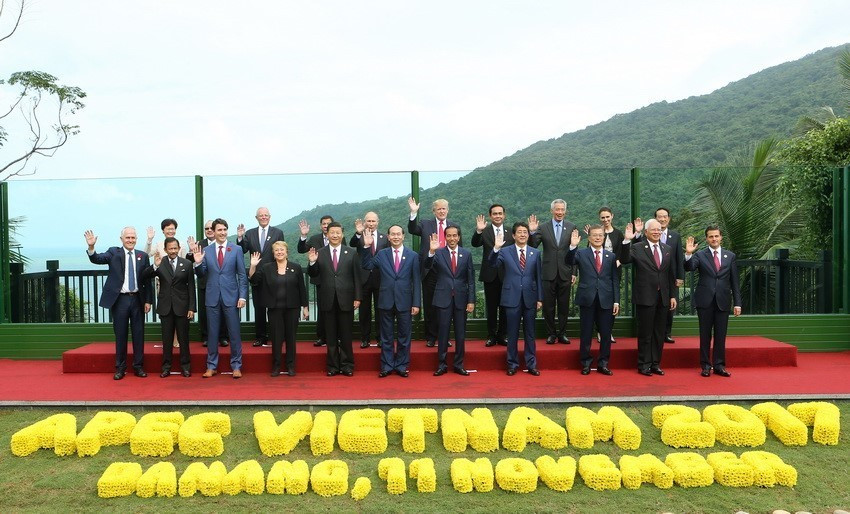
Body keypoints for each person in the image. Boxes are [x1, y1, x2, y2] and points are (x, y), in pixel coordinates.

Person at [85, 227, 153, 380]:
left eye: (133, 238)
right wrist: (91, 247)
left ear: (136, 239)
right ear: (121, 239)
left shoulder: (143, 256)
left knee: (138, 334)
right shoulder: (113, 253)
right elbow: (97, 259)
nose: (130, 240)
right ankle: (120, 368)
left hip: (137, 299)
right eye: (127, 237)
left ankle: (138, 366)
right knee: (121, 335)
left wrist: (148, 300)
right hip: (120, 300)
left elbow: (147, 281)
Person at [191, 218, 248, 379]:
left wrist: (243, 296)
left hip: (232, 297)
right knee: (212, 334)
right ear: (213, 232)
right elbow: (201, 274)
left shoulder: (235, 249)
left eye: (224, 230)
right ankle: (211, 366)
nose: (222, 233)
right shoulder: (206, 251)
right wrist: (197, 264)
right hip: (212, 297)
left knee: (234, 333)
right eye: (219, 230)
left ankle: (236, 366)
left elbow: (242, 276)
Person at [360, 225, 420, 377]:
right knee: (386, 336)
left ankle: (401, 365)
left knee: (404, 336)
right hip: (385, 300)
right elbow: (367, 265)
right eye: (392, 234)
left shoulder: (412, 255)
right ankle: (386, 366)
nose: (395, 237)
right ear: (388, 237)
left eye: (398, 234)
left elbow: (416, 281)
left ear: (403, 236)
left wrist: (416, 303)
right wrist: (366, 246)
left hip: (405, 301)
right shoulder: (382, 254)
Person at [619, 218, 678, 376]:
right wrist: (626, 240)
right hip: (645, 296)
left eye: (659, 230)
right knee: (645, 333)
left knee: (659, 332)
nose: (657, 232)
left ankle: (655, 363)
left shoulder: (667, 248)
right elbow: (625, 260)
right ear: (646, 232)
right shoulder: (638, 247)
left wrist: (672, 295)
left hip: (663, 297)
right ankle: (643, 364)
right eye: (653, 230)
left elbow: (670, 274)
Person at [684, 225, 742, 377]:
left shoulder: (730, 256)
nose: (714, 239)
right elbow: (689, 267)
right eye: (710, 236)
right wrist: (689, 254)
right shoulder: (700, 255)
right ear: (706, 239)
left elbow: (735, 281)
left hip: (723, 300)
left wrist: (737, 303)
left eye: (716, 236)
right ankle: (705, 366)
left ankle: (719, 365)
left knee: (721, 335)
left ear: (721, 237)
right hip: (705, 301)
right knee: (705, 335)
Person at [488, 221, 543, 376]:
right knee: (511, 333)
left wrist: (540, 298)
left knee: (530, 333)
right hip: (511, 297)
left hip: (530, 298)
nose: (522, 234)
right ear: (513, 235)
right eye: (519, 232)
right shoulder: (505, 252)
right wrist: (496, 248)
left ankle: (531, 364)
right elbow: (492, 264)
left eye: (525, 232)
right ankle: (512, 364)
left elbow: (538, 277)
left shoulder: (535, 253)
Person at [307, 222, 362, 376]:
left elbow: (357, 277)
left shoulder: (351, 252)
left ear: (342, 234)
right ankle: (332, 367)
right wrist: (312, 262)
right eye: (332, 232)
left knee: (346, 335)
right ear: (327, 234)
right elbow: (314, 274)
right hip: (327, 299)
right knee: (330, 336)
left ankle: (347, 366)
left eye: (338, 232)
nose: (335, 235)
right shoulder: (319, 252)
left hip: (347, 299)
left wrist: (358, 297)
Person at [248, 242, 309, 377]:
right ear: (273, 253)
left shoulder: (296, 267)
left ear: (287, 252)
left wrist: (305, 307)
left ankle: (291, 366)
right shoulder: (266, 268)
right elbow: (253, 280)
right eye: (276, 250)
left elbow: (302, 289)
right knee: (276, 339)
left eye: (282, 250)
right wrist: (253, 265)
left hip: (292, 308)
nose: (279, 252)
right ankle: (276, 366)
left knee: (291, 338)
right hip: (274, 309)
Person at [408, 197, 461, 348]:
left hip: (448, 272)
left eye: (444, 208)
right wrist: (413, 213)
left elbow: (460, 249)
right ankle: (431, 336)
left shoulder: (454, 226)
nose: (442, 211)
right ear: (434, 211)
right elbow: (412, 229)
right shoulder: (425, 224)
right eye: (439, 209)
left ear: (448, 210)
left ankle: (445, 336)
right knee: (430, 305)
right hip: (429, 269)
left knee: (446, 306)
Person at [566, 226, 619, 375]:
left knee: (606, 333)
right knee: (586, 333)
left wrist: (616, 301)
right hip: (587, 298)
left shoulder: (611, 256)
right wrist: (573, 246)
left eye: (600, 235)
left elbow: (614, 279)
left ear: (604, 237)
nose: (597, 238)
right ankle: (586, 363)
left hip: (606, 299)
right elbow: (568, 260)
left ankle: (603, 364)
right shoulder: (581, 253)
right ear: (589, 238)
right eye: (594, 235)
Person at [143, 237, 195, 378]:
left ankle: (186, 367)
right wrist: (155, 266)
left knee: (183, 339)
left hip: (183, 307)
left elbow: (191, 287)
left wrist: (192, 308)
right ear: (165, 250)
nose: (173, 251)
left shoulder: (187, 264)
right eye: (170, 248)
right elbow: (144, 276)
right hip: (165, 307)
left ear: (179, 248)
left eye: (175, 248)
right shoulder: (161, 262)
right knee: (166, 340)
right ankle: (166, 368)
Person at [425, 227, 474, 376]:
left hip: (461, 299)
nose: (452, 238)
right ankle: (442, 365)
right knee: (443, 334)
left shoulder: (466, 254)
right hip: (443, 298)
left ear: (459, 237)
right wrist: (431, 252)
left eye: (454, 236)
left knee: (460, 334)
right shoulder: (438, 253)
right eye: (449, 236)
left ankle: (459, 364)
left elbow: (470, 280)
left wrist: (471, 300)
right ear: (445, 237)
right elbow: (427, 266)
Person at [529, 199, 576, 345]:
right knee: (548, 306)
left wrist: (574, 271)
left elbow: (575, 250)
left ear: (565, 211)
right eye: (557, 209)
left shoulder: (572, 227)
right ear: (552, 211)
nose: (560, 212)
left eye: (562, 209)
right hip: (548, 272)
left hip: (565, 272)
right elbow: (533, 245)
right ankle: (551, 334)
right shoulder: (543, 227)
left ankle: (562, 333)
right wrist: (532, 232)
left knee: (563, 305)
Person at [237, 206, 285, 347]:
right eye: (261, 215)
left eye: (266, 215)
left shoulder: (278, 232)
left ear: (269, 217)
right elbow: (243, 249)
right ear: (256, 218)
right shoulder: (250, 233)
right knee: (259, 308)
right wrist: (240, 237)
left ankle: (277, 336)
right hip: (256, 275)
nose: (263, 217)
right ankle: (261, 337)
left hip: (274, 276)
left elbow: (281, 251)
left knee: (276, 308)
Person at [472, 204, 513, 347]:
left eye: (500, 213)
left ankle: (503, 335)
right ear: (490, 216)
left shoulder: (510, 232)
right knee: (491, 307)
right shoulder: (485, 231)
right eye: (494, 214)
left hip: (507, 274)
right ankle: (491, 336)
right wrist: (478, 230)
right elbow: (475, 244)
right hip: (490, 274)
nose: (498, 216)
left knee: (505, 307)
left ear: (504, 215)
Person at [585, 206, 624, 343]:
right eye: (603, 217)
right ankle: (599, 331)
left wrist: (618, 261)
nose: (605, 219)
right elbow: (588, 253)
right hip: (596, 274)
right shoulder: (596, 233)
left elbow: (622, 253)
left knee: (610, 303)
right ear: (599, 218)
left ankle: (607, 331)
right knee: (596, 302)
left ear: (612, 216)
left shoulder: (618, 233)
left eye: (607, 216)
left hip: (612, 273)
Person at [645, 207, 684, 343]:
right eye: (659, 217)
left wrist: (680, 277)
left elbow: (679, 257)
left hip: (670, 277)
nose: (662, 219)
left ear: (669, 218)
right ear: (655, 219)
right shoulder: (650, 235)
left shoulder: (675, 236)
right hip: (654, 277)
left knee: (669, 306)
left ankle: (666, 333)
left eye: (665, 216)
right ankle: (654, 333)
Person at [350, 212, 388, 348]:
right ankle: (365, 338)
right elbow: (352, 243)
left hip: (380, 278)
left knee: (380, 309)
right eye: (368, 221)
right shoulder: (360, 236)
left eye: (373, 221)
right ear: (365, 222)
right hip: (363, 278)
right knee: (364, 311)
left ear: (378, 222)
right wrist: (358, 233)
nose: (371, 224)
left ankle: (380, 338)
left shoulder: (385, 237)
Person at [190, 220, 228, 348]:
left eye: (211, 228)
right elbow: (191, 262)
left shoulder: (224, 244)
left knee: (223, 311)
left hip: (221, 285)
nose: (209, 230)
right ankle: (206, 337)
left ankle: (222, 337)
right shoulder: (199, 244)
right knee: (204, 313)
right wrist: (191, 252)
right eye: (206, 229)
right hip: (204, 284)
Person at [298, 214, 335, 347]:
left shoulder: (339, 238)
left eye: (328, 223)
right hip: (320, 279)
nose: (326, 226)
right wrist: (303, 236)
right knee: (322, 309)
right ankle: (322, 337)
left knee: (335, 309)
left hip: (336, 280)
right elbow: (301, 249)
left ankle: (335, 337)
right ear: (321, 226)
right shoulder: (314, 239)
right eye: (323, 224)